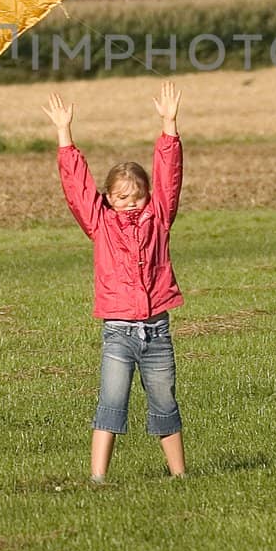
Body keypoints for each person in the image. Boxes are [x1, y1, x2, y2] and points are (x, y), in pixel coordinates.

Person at [43, 80, 187, 483]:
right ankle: (98, 478)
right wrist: (64, 133)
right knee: (111, 401)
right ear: (107, 199)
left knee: (164, 402)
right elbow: (77, 188)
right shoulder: (99, 223)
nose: (129, 203)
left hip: (157, 330)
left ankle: (179, 475)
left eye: (137, 195)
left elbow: (169, 179)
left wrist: (169, 125)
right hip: (118, 332)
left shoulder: (159, 218)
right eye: (121, 197)